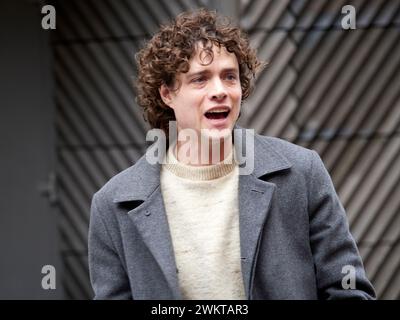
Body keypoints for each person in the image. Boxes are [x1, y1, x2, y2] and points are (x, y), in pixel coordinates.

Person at [88, 8, 376, 300]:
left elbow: (347, 289)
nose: (220, 90)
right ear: (167, 94)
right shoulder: (112, 205)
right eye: (200, 79)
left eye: (229, 77)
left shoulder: (302, 173)